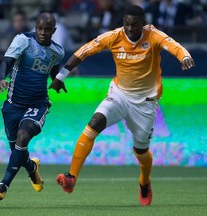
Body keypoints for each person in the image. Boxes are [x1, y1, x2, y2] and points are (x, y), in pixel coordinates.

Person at [49, 5, 195, 206]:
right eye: (126, 24)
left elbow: (174, 45)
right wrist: (61, 75)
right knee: (94, 123)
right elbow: (84, 51)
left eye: (134, 25)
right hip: (119, 95)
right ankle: (71, 177)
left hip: (145, 104)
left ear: (143, 23)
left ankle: (144, 182)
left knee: (140, 151)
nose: (129, 29)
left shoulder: (153, 35)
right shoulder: (115, 36)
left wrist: (184, 56)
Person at [0, 12, 65, 201]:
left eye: (47, 30)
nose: (42, 32)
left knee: (23, 138)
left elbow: (53, 69)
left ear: (53, 31)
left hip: (37, 104)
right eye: (40, 28)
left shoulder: (57, 52)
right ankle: (32, 168)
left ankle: (3, 186)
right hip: (12, 105)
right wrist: (1, 78)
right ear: (35, 27)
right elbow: (6, 62)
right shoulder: (23, 41)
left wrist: (57, 80)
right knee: (18, 151)